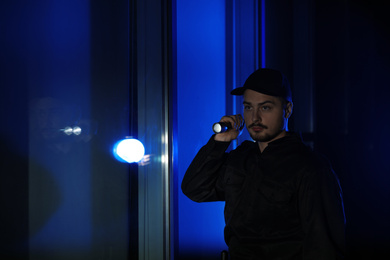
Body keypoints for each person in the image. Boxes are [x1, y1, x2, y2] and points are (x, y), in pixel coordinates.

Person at [181, 68, 346, 260]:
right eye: (249, 107)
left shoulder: (310, 167)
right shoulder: (240, 158)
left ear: (287, 109)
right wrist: (219, 143)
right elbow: (194, 188)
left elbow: (323, 247)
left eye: (265, 107)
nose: (255, 117)